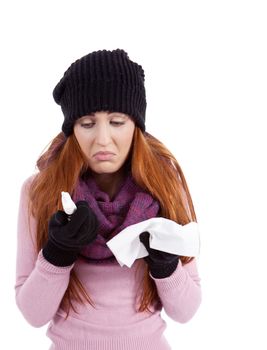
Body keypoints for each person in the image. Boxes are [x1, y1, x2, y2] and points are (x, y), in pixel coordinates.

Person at [14, 48, 202, 350]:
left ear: (136, 126)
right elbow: (33, 314)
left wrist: (166, 265)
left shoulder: (164, 185)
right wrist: (58, 253)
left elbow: (187, 311)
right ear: (72, 129)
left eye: (117, 122)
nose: (102, 139)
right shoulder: (41, 190)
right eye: (87, 124)